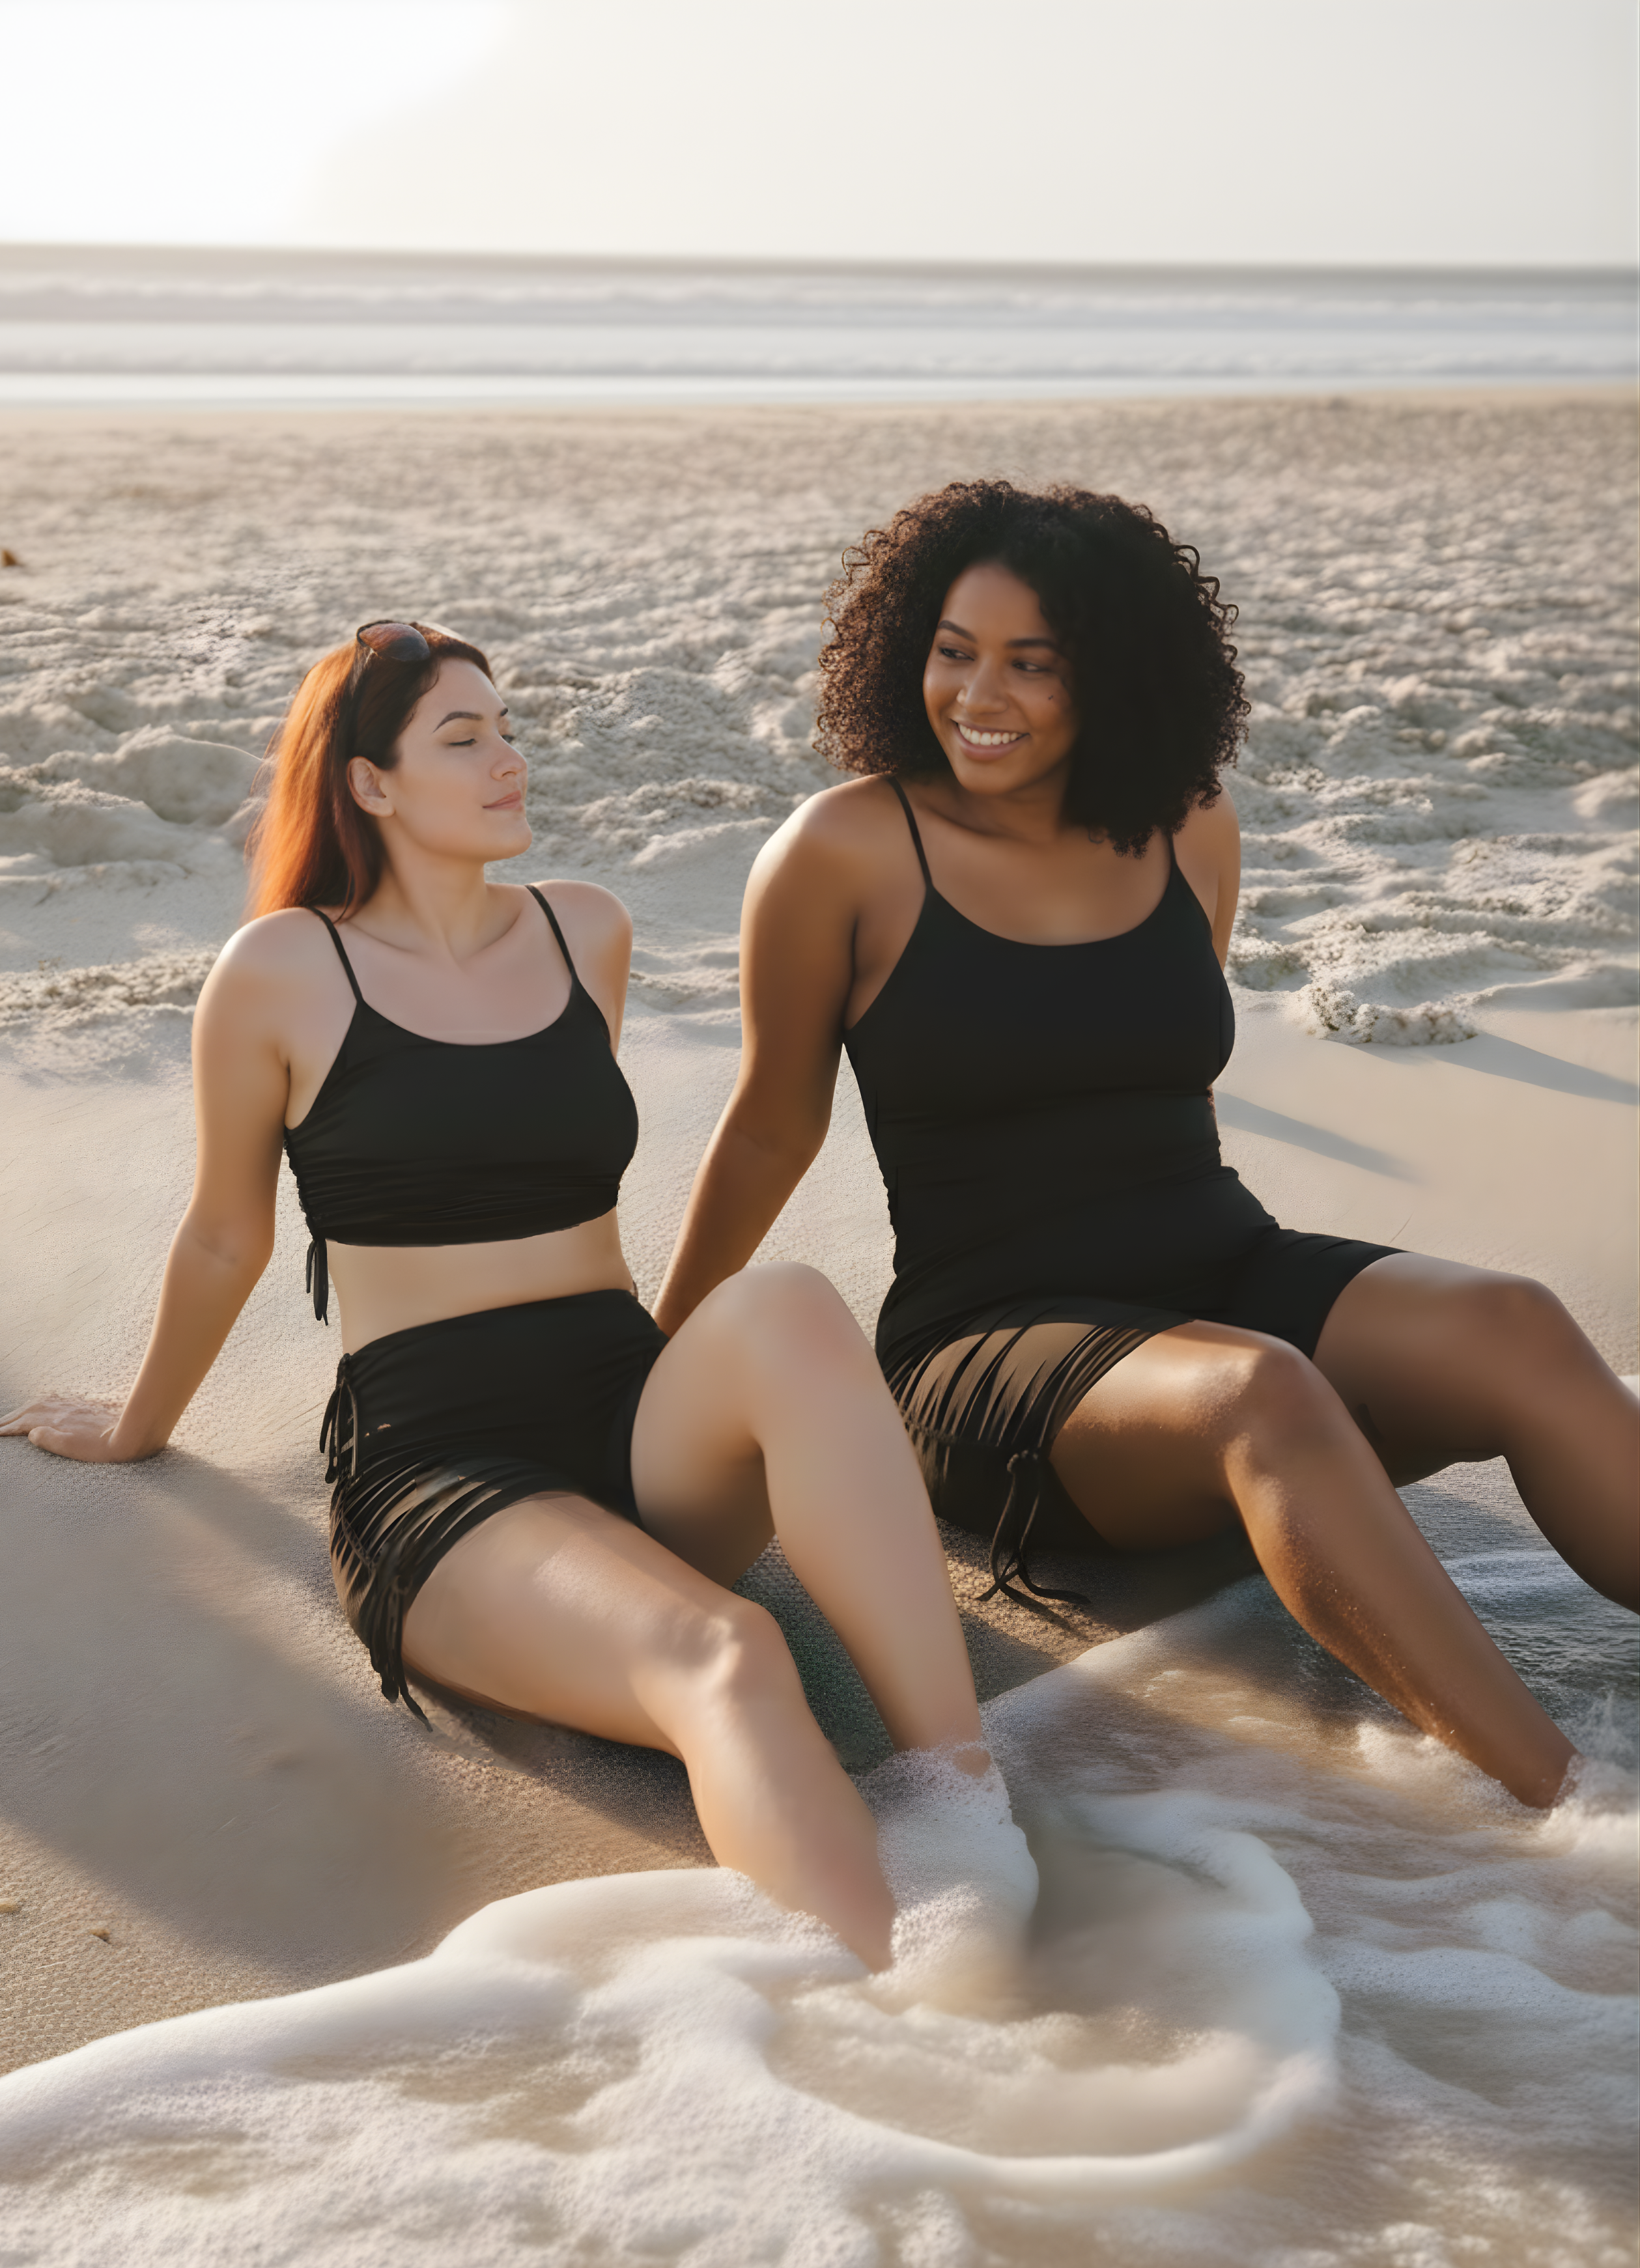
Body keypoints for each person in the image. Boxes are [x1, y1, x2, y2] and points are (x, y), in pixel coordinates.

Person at [0, 619, 1015, 1973]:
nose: (507, 762)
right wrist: (138, 1421)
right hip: (445, 1468)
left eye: (509, 729)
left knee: (790, 1304)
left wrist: (711, 1394)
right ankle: (923, 2019)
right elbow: (225, 1238)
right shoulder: (286, 971)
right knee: (733, 1655)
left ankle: (967, 1807)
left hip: (624, 1414)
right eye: (461, 739)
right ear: (368, 784)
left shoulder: (585, 931)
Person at [654, 484, 1640, 1810]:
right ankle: (1574, 1812)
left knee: (1514, 1323)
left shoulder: (1190, 827)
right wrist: (655, 1358)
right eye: (953, 650)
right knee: (1261, 1395)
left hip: (1216, 1270)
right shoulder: (845, 849)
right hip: (997, 1353)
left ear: (1111, 676)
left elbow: (1160, 1077)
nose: (977, 695)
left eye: (1031, 663)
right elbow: (773, 1120)